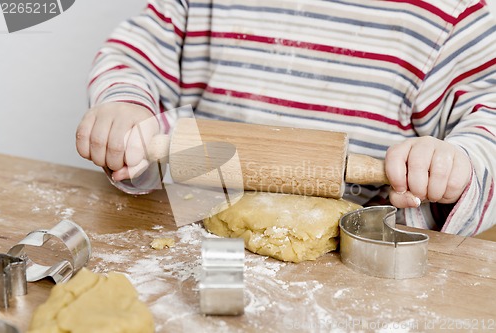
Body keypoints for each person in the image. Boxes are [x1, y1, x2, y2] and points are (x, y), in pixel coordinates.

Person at [76, 0, 495, 236]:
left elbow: (488, 112)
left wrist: (457, 163)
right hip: (193, 232)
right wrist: (127, 108)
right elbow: (135, 58)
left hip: (363, 257)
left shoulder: (448, 15)